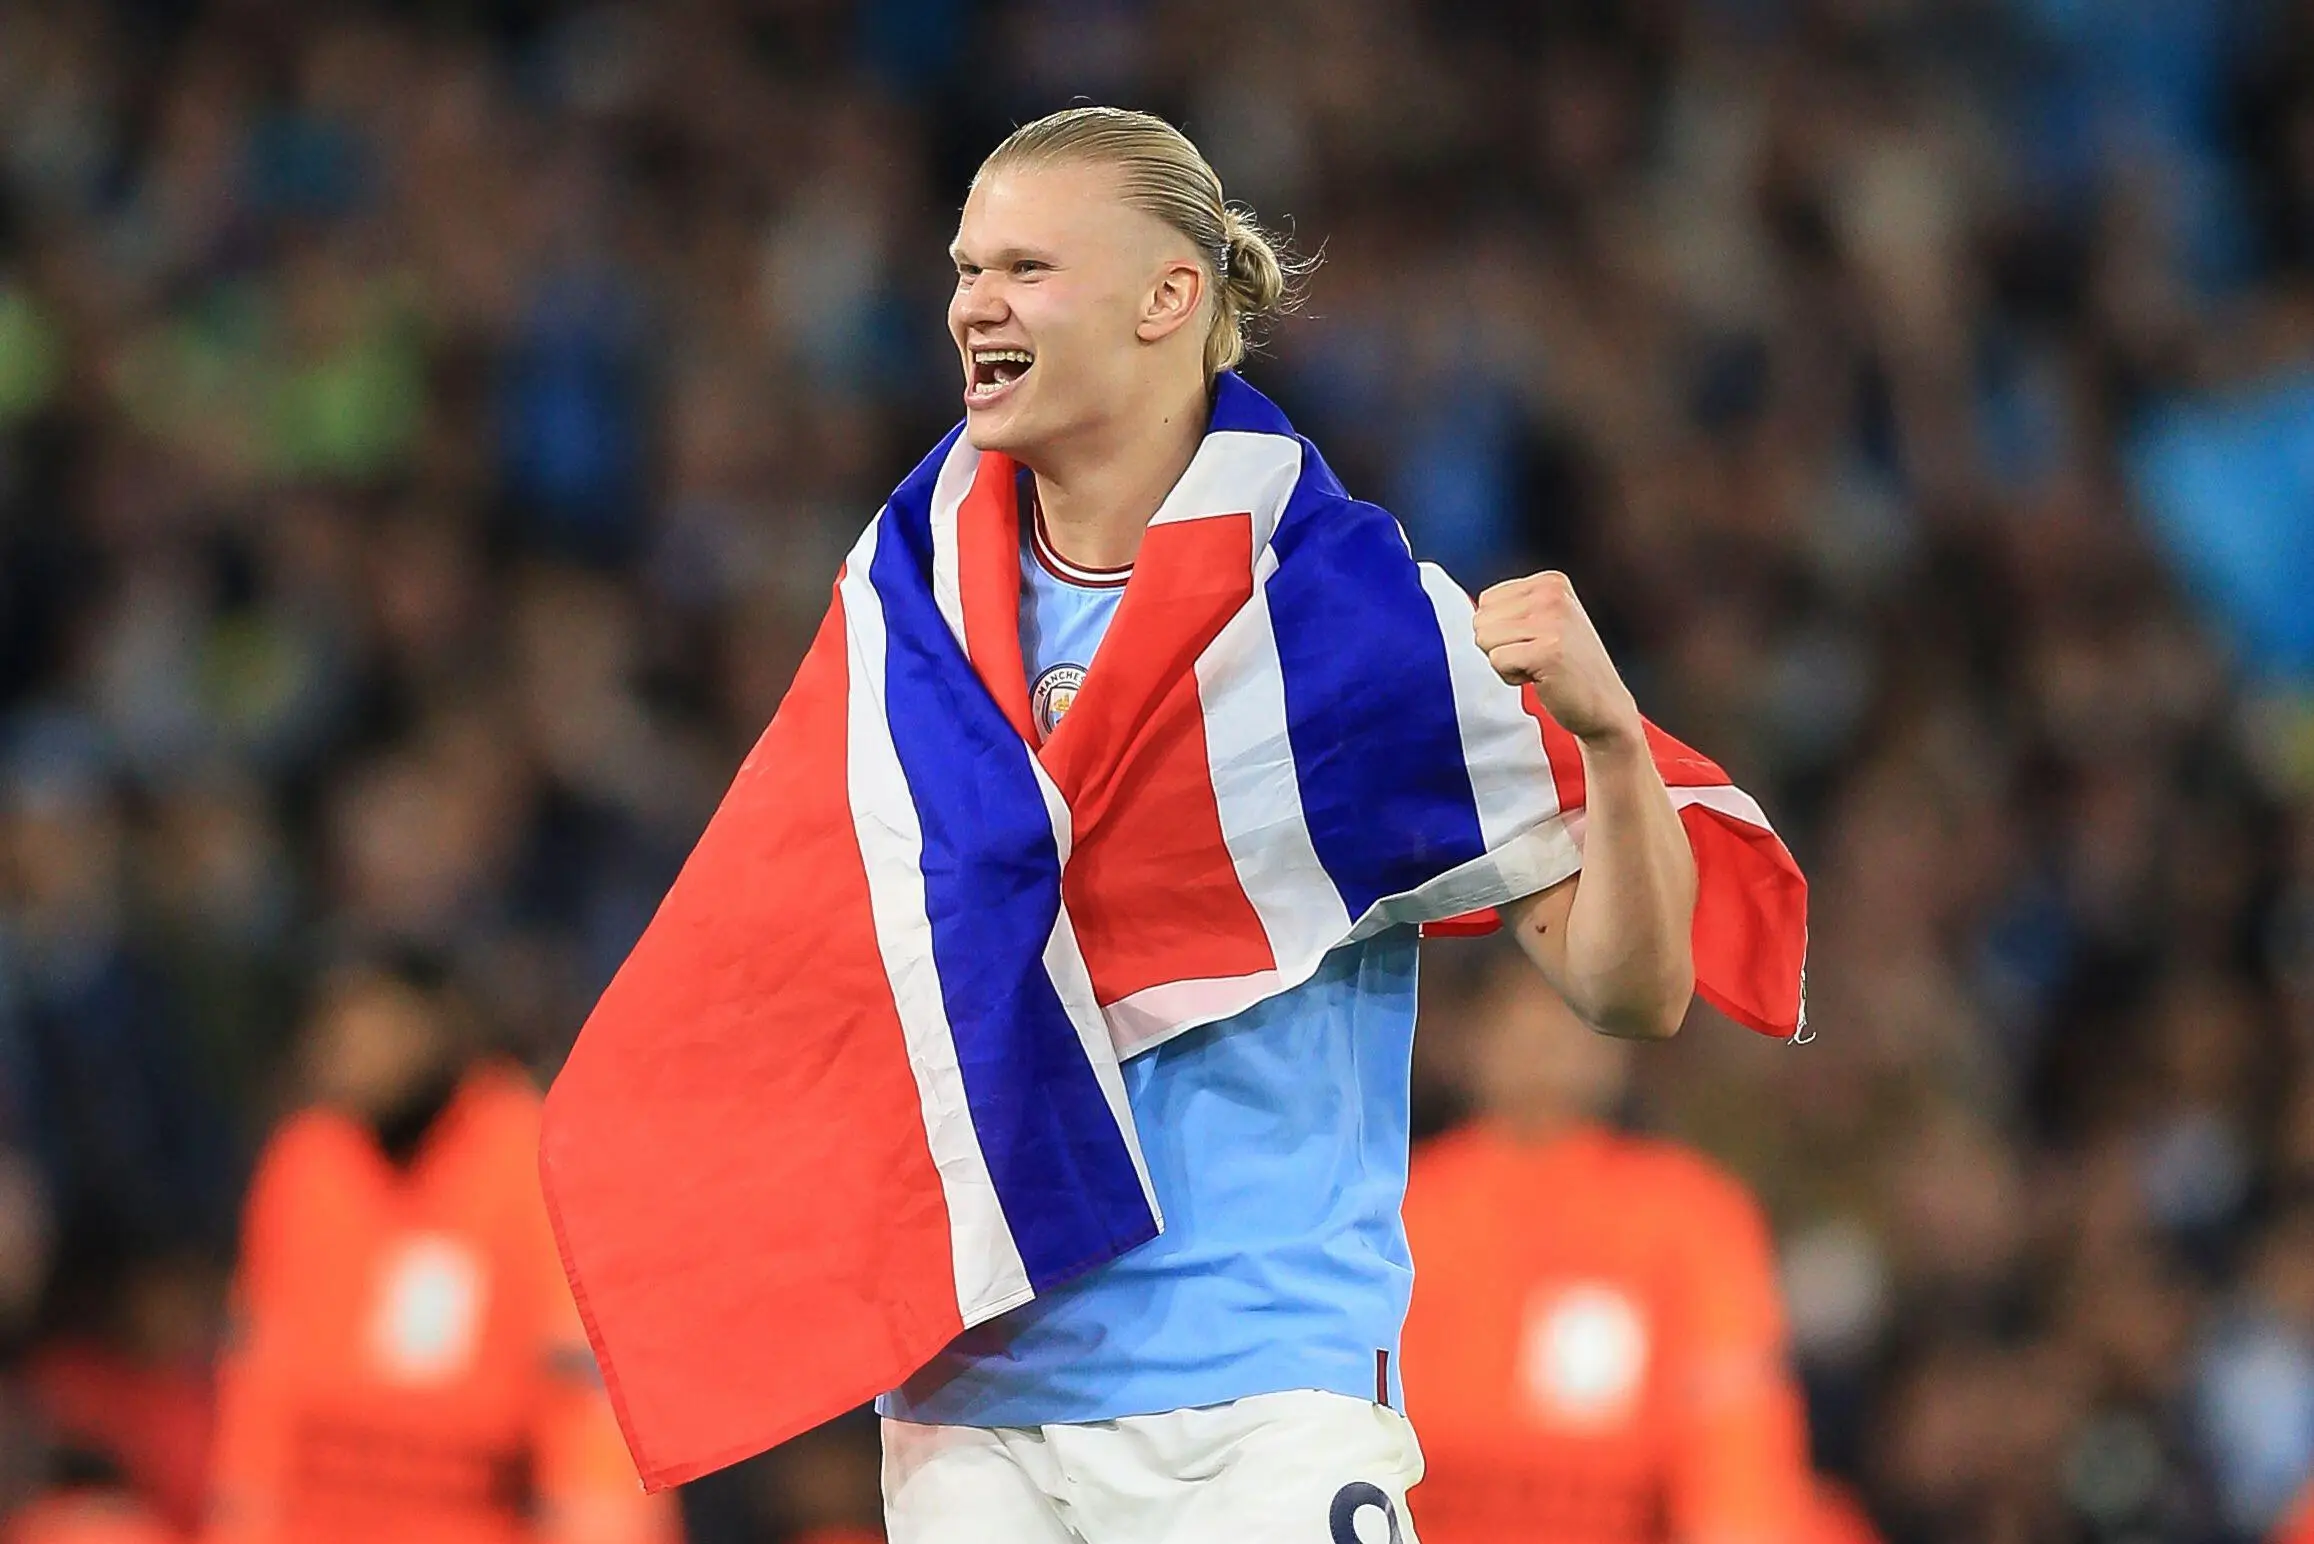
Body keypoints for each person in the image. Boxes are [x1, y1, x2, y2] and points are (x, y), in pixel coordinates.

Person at [870, 106, 1704, 1544]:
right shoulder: (907, 615)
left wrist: (1615, 748)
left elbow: (1631, 991)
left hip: (1255, 1398)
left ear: (1165, 298)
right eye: (964, 267)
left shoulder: (1352, 631)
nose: (973, 304)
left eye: (1024, 266)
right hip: (969, 1402)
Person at [202, 955, 678, 1544]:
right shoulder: (306, 1163)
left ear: (442, 1024)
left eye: (378, 1025)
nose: (352, 1049)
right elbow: (256, 1396)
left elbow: (586, 1412)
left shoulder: (531, 1162)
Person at [1399, 949, 1858, 1544]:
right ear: (1465, 1038)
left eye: (1571, 1014)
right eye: (1519, 1013)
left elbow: (1739, 1455)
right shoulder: (1396, 1210)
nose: (1544, 1040)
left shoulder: (1692, 1216)